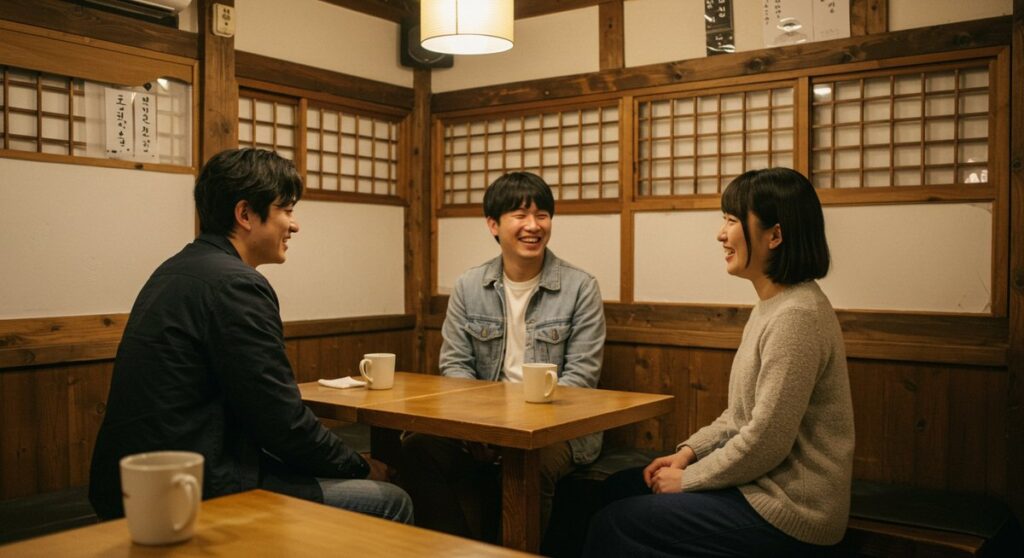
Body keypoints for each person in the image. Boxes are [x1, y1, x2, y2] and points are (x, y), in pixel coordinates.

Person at [89, 148, 412, 524]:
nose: (294, 225)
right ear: (245, 214)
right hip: (193, 489)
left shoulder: (174, 271)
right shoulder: (236, 285)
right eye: (286, 209)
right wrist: (360, 466)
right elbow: (282, 421)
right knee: (391, 500)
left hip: (131, 484)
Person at [583, 168, 854, 557]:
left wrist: (689, 479)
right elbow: (741, 417)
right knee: (616, 489)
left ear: (775, 236)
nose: (720, 234)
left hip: (790, 508)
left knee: (616, 524)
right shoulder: (773, 305)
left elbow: (767, 441)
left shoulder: (797, 316)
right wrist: (689, 453)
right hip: (758, 486)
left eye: (731, 220)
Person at [400, 171, 606, 541]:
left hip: (560, 430)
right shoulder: (469, 285)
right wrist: (479, 427)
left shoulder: (580, 287)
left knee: (529, 464)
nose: (533, 225)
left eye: (542, 215)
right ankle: (457, 548)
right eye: (520, 215)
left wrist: (514, 430)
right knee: (417, 449)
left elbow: (580, 379)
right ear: (493, 225)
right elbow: (455, 365)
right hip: (481, 425)